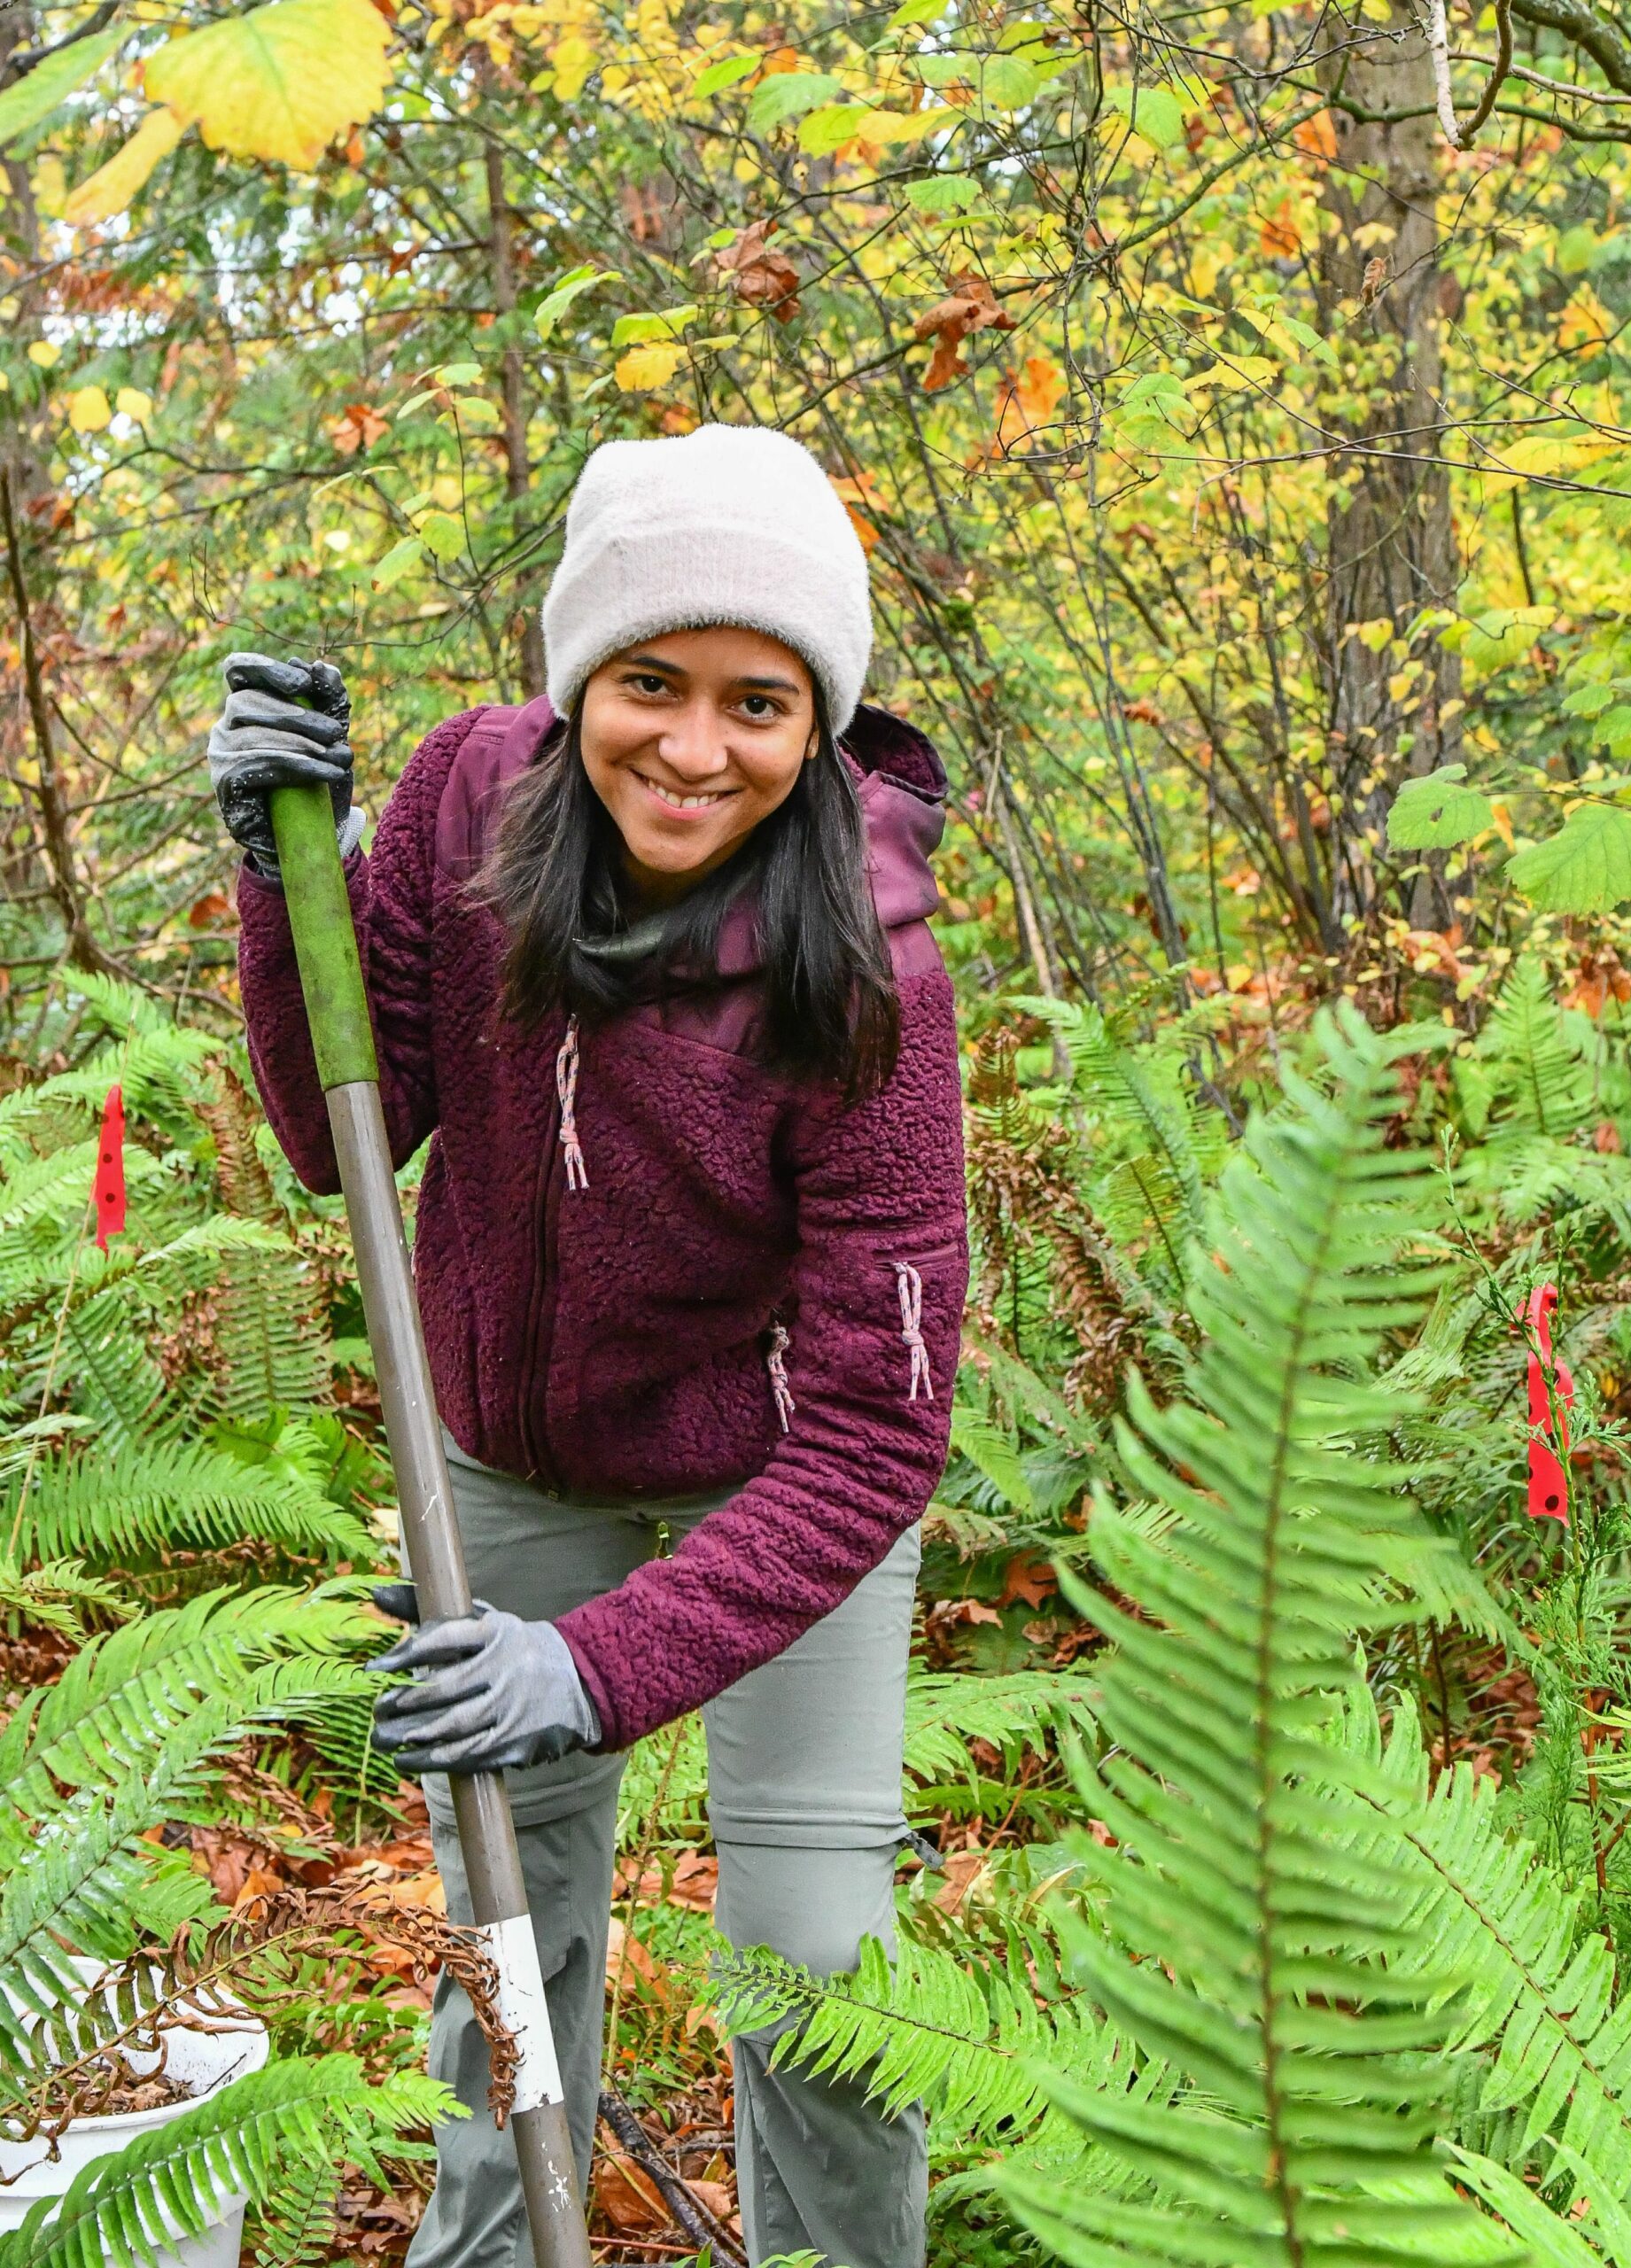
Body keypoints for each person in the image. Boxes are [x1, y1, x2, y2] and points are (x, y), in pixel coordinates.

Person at [210, 423, 968, 2268]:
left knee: (819, 1967)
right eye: (650, 682)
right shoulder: (472, 800)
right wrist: (273, 867)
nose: (695, 748)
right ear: (577, 681)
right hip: (507, 1448)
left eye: (757, 702)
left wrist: (596, 1664)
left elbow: (881, 1427)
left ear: (818, 720)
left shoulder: (871, 972)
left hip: (779, 1467)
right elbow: (338, 1143)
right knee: (506, 1923)